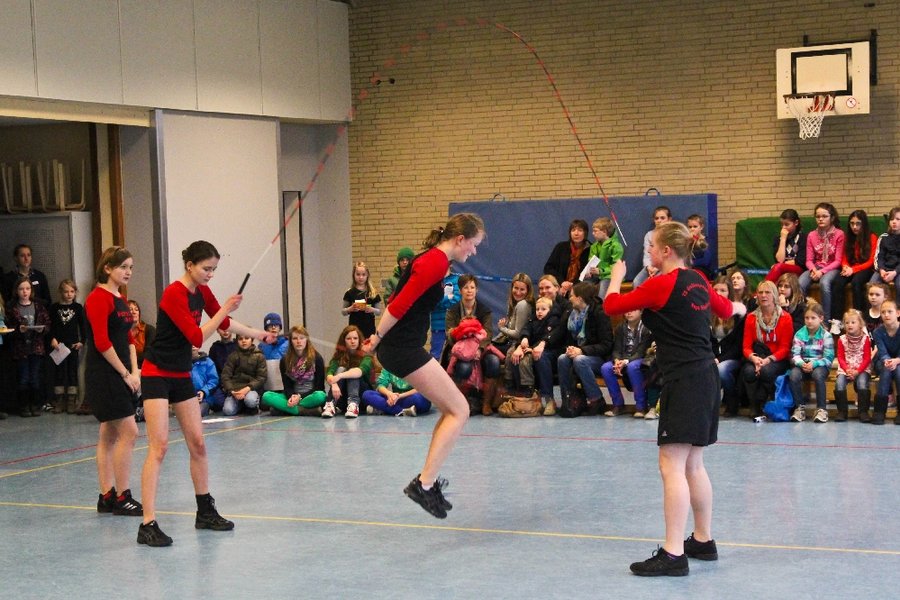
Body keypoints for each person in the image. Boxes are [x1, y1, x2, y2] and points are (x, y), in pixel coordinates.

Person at [604, 221, 738, 577]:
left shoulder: (660, 285)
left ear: (666, 251)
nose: (648, 250)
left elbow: (612, 305)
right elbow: (726, 310)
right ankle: (703, 540)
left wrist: (617, 277)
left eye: (652, 246)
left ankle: (673, 553)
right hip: (706, 375)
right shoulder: (698, 279)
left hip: (684, 380)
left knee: (671, 466)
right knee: (693, 464)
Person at [137, 240, 273, 547]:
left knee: (198, 444)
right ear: (190, 265)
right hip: (156, 373)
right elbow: (197, 336)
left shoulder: (203, 292)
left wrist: (258, 334)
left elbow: (225, 322)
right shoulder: (174, 293)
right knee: (159, 448)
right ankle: (147, 524)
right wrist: (225, 308)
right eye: (206, 269)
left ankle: (205, 512)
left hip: (180, 373)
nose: (210, 274)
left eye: (214, 269)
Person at [364, 213, 484, 519]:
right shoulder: (435, 263)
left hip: (403, 346)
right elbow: (398, 304)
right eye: (474, 244)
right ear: (460, 239)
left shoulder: (434, 260)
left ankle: (427, 482)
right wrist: (377, 338)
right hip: (402, 348)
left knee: (450, 410)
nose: (474, 251)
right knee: (460, 410)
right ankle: (424, 484)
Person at [84, 247, 143, 517]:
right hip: (105, 375)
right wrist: (124, 374)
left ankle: (106, 496)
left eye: (131, 267)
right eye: (123, 267)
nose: (128, 272)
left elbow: (128, 339)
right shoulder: (98, 298)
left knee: (108, 435)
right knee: (130, 432)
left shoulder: (120, 298)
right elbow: (102, 342)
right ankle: (122, 496)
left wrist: (135, 371)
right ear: (107, 268)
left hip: (122, 373)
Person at [442, 274, 500, 415]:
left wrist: (479, 349)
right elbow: (449, 335)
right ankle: (461, 403)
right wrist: (462, 336)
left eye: (472, 287)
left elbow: (488, 333)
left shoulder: (484, 310)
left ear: (477, 290)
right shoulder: (452, 311)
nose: (469, 290)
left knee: (494, 362)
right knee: (464, 367)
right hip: (460, 350)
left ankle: (486, 404)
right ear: (460, 290)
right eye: (466, 287)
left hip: (481, 348)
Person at [556, 281, 614, 416]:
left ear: (580, 298)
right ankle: (569, 399)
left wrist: (582, 350)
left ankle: (596, 400)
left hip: (599, 358)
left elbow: (607, 345)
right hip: (579, 353)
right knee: (562, 358)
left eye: (571, 296)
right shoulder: (571, 314)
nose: (569, 299)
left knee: (580, 360)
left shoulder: (599, 313)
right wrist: (570, 349)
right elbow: (563, 337)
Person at [741, 280, 793, 419]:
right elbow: (746, 347)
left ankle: (763, 401)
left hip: (777, 358)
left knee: (766, 371)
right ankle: (753, 406)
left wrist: (768, 360)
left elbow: (785, 348)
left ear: (774, 295)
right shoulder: (751, 318)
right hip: (758, 356)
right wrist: (754, 358)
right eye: (760, 292)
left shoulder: (785, 318)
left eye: (767, 292)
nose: (763, 295)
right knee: (748, 371)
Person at [504, 296, 561, 411]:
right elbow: (526, 329)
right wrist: (524, 338)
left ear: (549, 310)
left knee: (526, 360)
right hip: (531, 348)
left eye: (543, 309)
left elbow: (548, 338)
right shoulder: (533, 320)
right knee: (515, 357)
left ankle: (530, 389)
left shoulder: (553, 321)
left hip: (549, 350)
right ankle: (517, 389)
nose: (539, 312)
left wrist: (532, 348)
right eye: (537, 309)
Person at [6, 276, 51, 417]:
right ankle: (24, 406)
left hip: (36, 347)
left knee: (35, 377)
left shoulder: (38, 306)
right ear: (16, 291)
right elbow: (8, 328)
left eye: (27, 288)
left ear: (31, 290)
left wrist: (42, 329)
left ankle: (35, 404)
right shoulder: (12, 308)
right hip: (21, 349)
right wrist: (18, 330)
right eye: (21, 289)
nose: (24, 292)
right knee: (24, 378)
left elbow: (47, 323)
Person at [262, 325, 327, 416]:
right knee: (266, 396)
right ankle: (302, 410)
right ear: (291, 341)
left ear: (307, 340)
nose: (298, 341)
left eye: (302, 338)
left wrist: (299, 397)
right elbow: (287, 387)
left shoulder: (317, 358)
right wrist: (292, 397)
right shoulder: (285, 360)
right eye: (295, 338)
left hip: (310, 396)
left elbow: (319, 387)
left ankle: (287, 409)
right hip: (292, 396)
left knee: (320, 396)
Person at [788, 302, 835, 423]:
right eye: (807, 318)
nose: (809, 321)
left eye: (813, 318)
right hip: (803, 364)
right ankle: (799, 408)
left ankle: (821, 409)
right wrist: (801, 364)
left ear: (821, 318)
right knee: (793, 375)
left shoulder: (826, 336)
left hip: (820, 364)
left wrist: (814, 364)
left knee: (818, 375)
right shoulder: (799, 334)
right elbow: (795, 355)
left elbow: (829, 358)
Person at [600, 308, 652, 417]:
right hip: (622, 359)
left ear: (641, 311)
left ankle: (641, 407)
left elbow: (641, 352)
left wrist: (626, 361)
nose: (629, 312)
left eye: (633, 310)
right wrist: (617, 360)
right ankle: (618, 405)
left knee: (632, 367)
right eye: (627, 310)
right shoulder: (621, 327)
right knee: (606, 368)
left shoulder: (646, 328)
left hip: (639, 359)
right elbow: (616, 349)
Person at [798, 202, 844, 320]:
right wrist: (813, 270)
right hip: (816, 267)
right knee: (800, 283)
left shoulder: (839, 234)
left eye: (824, 216)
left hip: (832, 267)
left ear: (832, 218)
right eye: (818, 216)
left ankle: (826, 320)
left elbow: (838, 261)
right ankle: (803, 317)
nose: (820, 219)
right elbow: (809, 260)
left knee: (824, 283)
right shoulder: (812, 235)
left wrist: (822, 272)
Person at [831, 209, 877, 321]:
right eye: (852, 223)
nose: (854, 227)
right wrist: (845, 266)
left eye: (858, 224)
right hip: (850, 268)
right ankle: (837, 320)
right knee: (837, 282)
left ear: (863, 224)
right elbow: (844, 256)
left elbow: (871, 261)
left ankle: (859, 318)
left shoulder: (872, 237)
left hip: (866, 268)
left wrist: (853, 270)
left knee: (857, 282)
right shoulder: (848, 237)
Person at [49, 279, 86, 414]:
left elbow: (83, 326)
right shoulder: (54, 308)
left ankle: (71, 400)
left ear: (75, 292)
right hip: (58, 346)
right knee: (59, 372)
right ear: (60, 292)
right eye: (66, 291)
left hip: (73, 345)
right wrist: (52, 339)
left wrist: (82, 341)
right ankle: (59, 400)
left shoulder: (78, 308)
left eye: (72, 291)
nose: (69, 294)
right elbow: (50, 326)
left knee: (72, 372)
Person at [322, 325, 373, 419]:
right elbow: (329, 373)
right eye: (349, 338)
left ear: (359, 340)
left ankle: (353, 405)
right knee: (340, 368)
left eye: (355, 338)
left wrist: (340, 376)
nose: (352, 341)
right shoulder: (338, 356)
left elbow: (359, 372)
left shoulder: (366, 357)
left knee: (353, 372)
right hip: (342, 397)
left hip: (361, 396)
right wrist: (334, 384)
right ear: (344, 341)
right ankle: (330, 404)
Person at [710, 277, 744, 417]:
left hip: (732, 357)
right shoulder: (706, 312)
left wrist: (719, 359)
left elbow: (738, 346)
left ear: (729, 292)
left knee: (722, 370)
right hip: (712, 356)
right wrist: (711, 358)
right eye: (715, 290)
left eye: (723, 290)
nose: (718, 293)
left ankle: (732, 402)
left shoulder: (738, 314)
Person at [834, 309, 872, 422]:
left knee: (862, 383)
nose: (849, 325)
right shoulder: (841, 339)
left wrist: (858, 371)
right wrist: (847, 369)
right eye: (847, 323)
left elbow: (867, 358)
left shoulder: (865, 339)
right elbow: (840, 357)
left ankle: (863, 412)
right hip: (846, 368)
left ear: (860, 324)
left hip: (861, 368)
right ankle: (842, 412)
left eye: (853, 322)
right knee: (839, 383)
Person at [220, 334, 268, 416]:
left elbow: (261, 377)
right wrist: (232, 391)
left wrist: (247, 389)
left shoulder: (259, 356)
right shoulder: (232, 356)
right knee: (228, 410)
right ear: (237, 341)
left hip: (251, 389)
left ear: (252, 340)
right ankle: (242, 405)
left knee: (251, 401)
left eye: (247, 338)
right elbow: (225, 376)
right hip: (235, 390)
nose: (243, 341)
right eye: (240, 339)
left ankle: (252, 406)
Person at [543, 219, 590, 296]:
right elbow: (548, 268)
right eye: (573, 230)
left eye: (580, 230)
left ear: (585, 233)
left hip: (580, 288)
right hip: (559, 285)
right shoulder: (561, 247)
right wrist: (562, 282)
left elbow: (588, 274)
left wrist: (573, 285)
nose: (576, 233)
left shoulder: (591, 249)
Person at [872, 299, 900, 425]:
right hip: (884, 362)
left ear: (898, 313)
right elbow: (882, 352)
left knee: (898, 372)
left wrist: (896, 361)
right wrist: (888, 361)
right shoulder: (878, 332)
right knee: (886, 371)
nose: (886, 315)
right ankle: (879, 412)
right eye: (883, 312)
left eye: (890, 311)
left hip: (899, 361)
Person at [362, 368, 432, 416]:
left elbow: (421, 388)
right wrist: (389, 394)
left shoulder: (417, 363)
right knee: (367, 394)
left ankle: (382, 409)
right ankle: (402, 411)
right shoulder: (389, 364)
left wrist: (400, 396)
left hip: (410, 397)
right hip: (395, 399)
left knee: (417, 398)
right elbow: (380, 385)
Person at [493, 273, 534, 354]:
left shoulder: (523, 305)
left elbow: (517, 334)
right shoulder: (513, 304)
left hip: (515, 346)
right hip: (509, 343)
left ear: (528, 291)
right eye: (516, 288)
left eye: (522, 289)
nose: (518, 292)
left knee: (489, 353)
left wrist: (502, 328)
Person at [631, 206, 671, 288]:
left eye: (662, 218)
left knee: (656, 282)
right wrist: (648, 267)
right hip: (651, 266)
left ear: (669, 219)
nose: (659, 221)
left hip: (665, 266)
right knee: (637, 282)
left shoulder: (671, 235)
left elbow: (670, 256)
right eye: (656, 218)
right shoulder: (649, 235)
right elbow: (647, 255)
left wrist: (658, 268)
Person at [341, 261, 383, 338]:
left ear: (367, 276)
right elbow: (343, 312)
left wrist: (371, 309)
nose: (361, 277)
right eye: (358, 274)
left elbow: (379, 312)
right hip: (354, 329)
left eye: (363, 275)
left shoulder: (373, 293)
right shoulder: (349, 293)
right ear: (353, 275)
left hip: (369, 329)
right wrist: (351, 308)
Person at [586, 216, 624, 298]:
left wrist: (601, 271)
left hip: (610, 275)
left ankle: (603, 306)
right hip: (597, 275)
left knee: (602, 293)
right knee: (583, 287)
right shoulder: (594, 246)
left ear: (604, 232)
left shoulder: (616, 246)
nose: (593, 233)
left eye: (595, 231)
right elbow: (591, 261)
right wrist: (589, 270)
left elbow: (616, 266)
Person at [765, 208, 806, 282]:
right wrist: (783, 239)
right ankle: (766, 288)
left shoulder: (803, 238)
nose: (783, 227)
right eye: (782, 224)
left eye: (787, 224)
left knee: (778, 267)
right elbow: (780, 260)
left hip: (799, 269)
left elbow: (800, 261)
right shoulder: (778, 239)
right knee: (778, 268)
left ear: (796, 223)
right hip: (782, 268)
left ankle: (764, 287)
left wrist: (781, 264)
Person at [429, 270, 459, 360]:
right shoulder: (433, 281)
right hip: (438, 325)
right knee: (435, 355)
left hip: (454, 325)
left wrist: (442, 300)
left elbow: (457, 299)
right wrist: (448, 297)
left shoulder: (456, 279)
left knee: (455, 354)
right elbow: (433, 301)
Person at [871, 206, 900, 299]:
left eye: (898, 219)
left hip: (898, 270)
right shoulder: (883, 237)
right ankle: (875, 307)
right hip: (884, 269)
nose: (894, 222)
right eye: (892, 219)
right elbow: (879, 257)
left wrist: (895, 272)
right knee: (872, 285)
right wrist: (881, 270)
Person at [191, 347, 223, 416]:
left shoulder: (208, 361)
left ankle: (208, 405)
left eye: (195, 344)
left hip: (207, 394)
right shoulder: (182, 363)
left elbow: (214, 380)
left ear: (198, 346)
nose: (193, 346)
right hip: (191, 396)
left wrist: (203, 391)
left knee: (198, 413)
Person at [128, 299, 155, 368]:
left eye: (136, 310)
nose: (134, 312)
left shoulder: (149, 330)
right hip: (126, 368)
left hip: (144, 368)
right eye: (130, 309)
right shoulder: (122, 331)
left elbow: (149, 354)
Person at [687, 214, 714, 280]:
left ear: (701, 227)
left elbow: (706, 261)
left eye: (695, 226)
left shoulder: (707, 241)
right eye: (690, 227)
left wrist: (690, 264)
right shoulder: (686, 242)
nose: (692, 229)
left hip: (703, 271)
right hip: (689, 270)